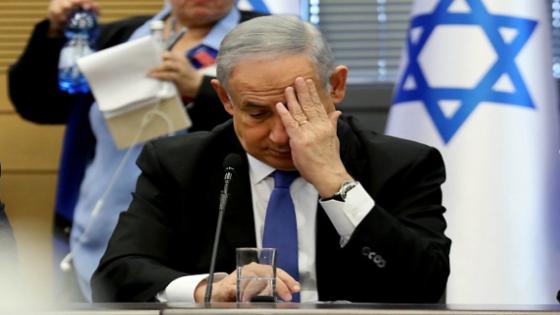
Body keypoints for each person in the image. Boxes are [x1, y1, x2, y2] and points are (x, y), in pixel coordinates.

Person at [92, 15, 451, 303]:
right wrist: (206, 290)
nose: (281, 136)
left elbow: (424, 285)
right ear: (226, 99)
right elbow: (116, 275)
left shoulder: (403, 164)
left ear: (336, 87)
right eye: (258, 113)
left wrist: (336, 182)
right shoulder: (179, 165)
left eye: (297, 109)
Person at [8, 0, 261, 301]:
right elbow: (39, 104)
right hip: (95, 223)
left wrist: (201, 87)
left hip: (196, 232)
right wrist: (54, 33)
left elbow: (275, 122)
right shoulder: (122, 35)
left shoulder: (262, 37)